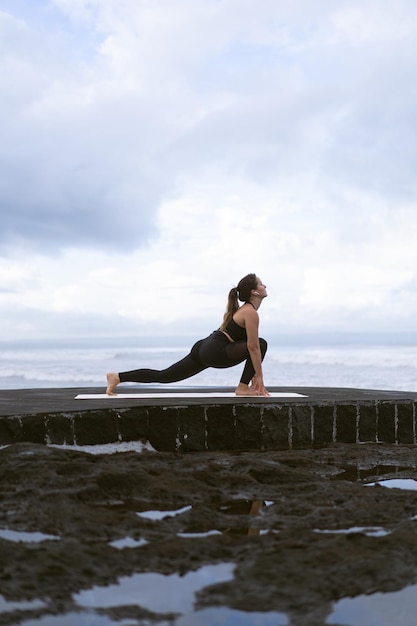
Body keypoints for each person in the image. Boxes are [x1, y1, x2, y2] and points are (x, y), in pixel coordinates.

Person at [106, 273, 270, 396]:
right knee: (262, 344)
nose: (265, 286)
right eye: (262, 284)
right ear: (254, 292)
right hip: (216, 350)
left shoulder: (244, 311)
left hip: (204, 347)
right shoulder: (250, 313)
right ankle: (242, 387)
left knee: (165, 375)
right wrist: (259, 377)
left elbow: (250, 347)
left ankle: (117, 377)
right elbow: (253, 347)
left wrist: (255, 373)